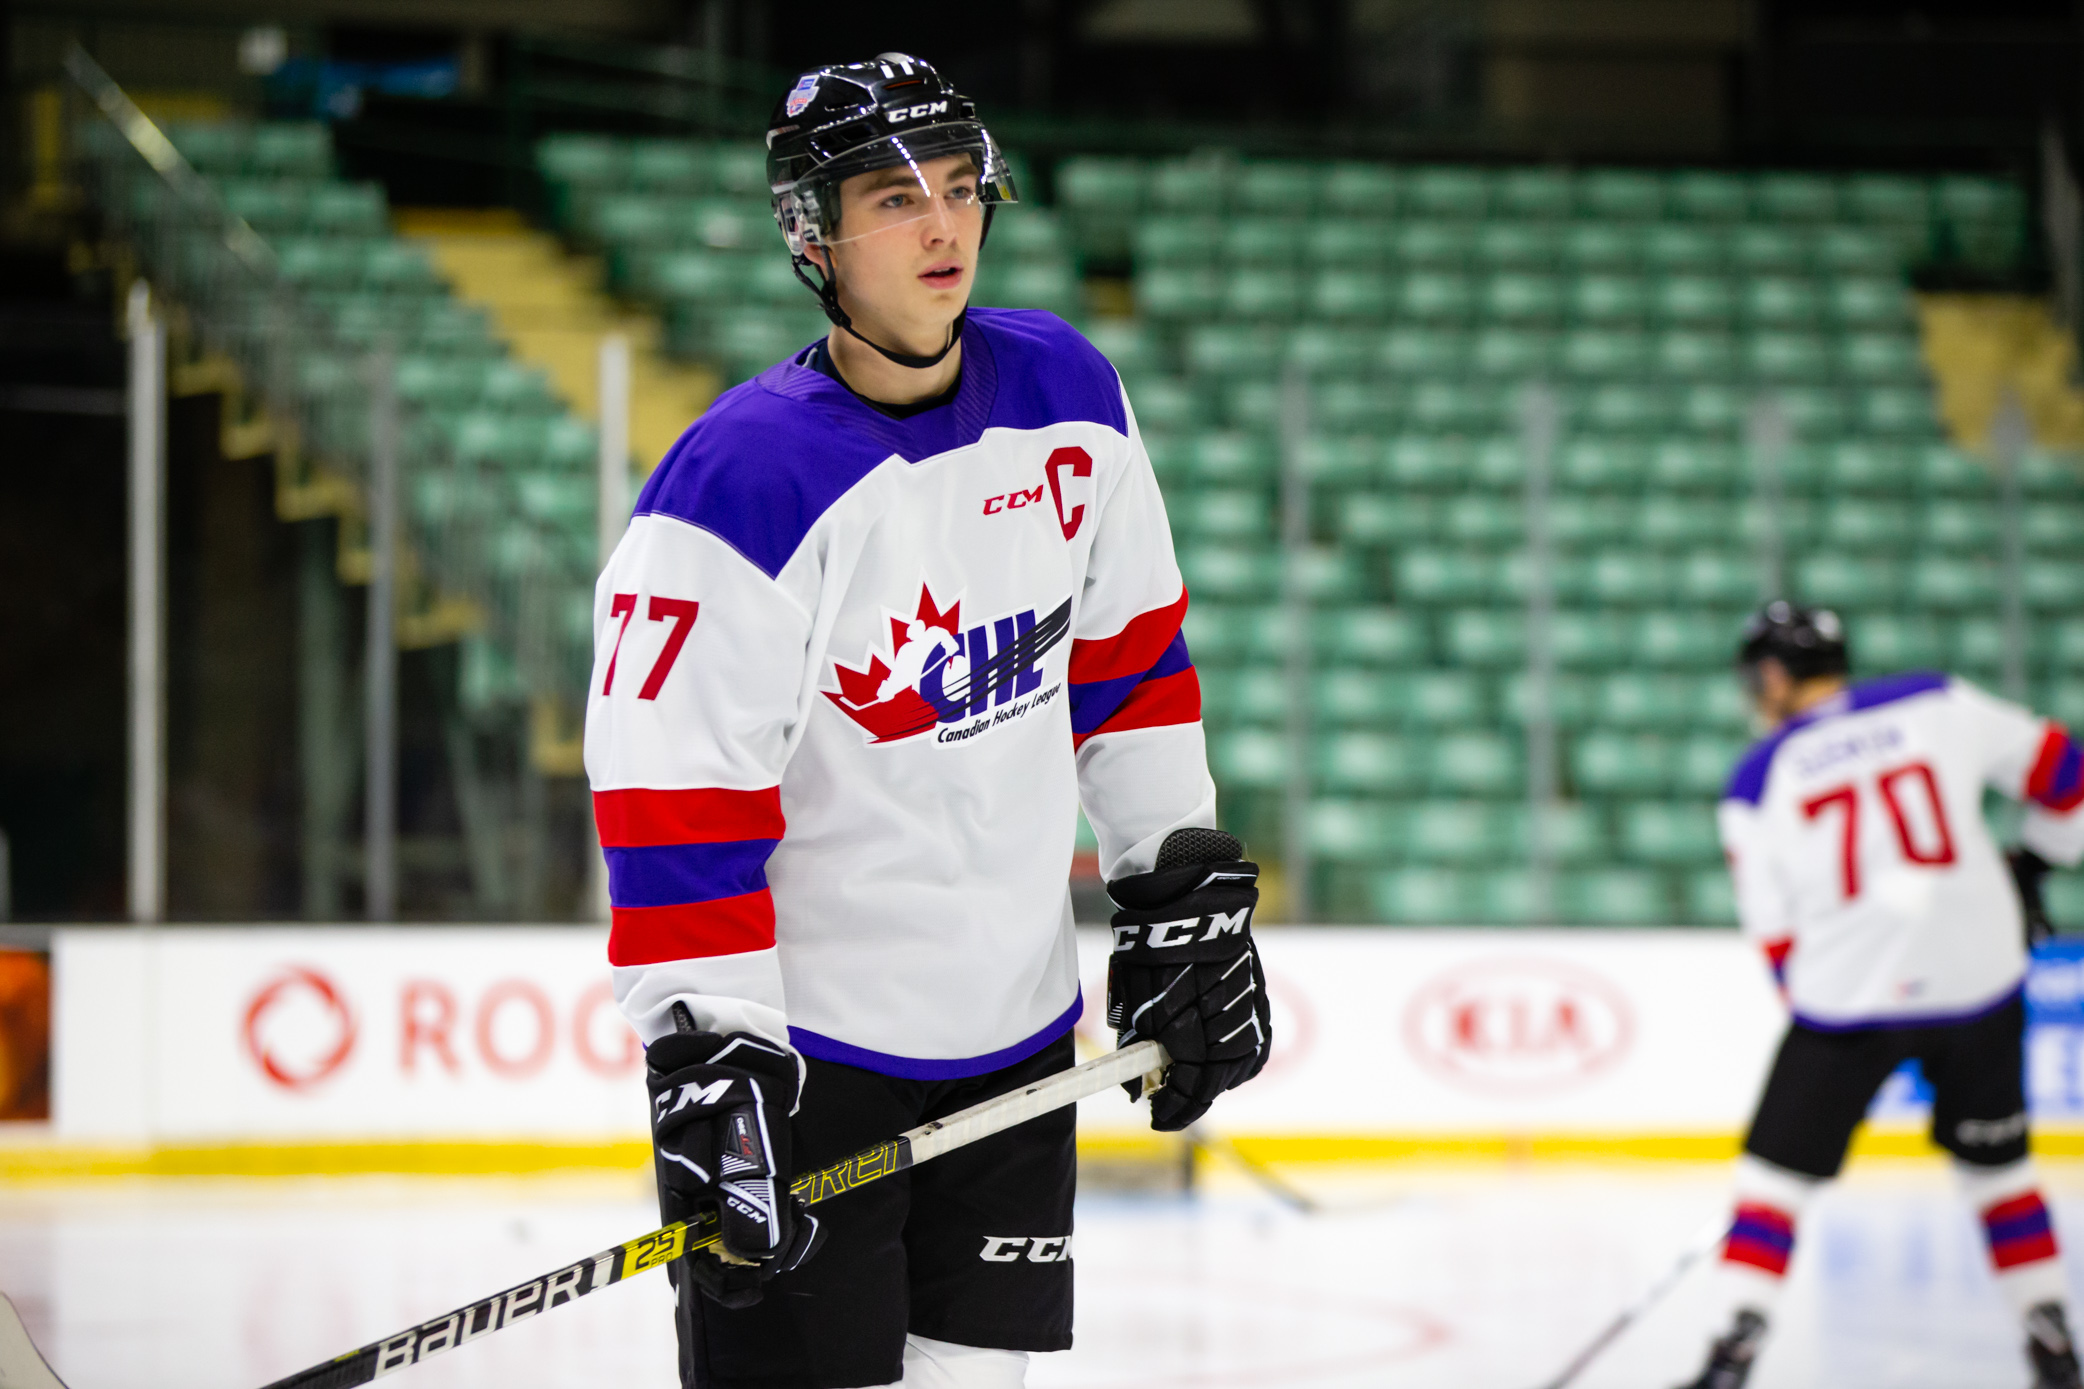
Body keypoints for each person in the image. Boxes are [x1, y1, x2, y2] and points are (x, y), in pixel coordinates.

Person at [584, 53, 1271, 1389]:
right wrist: (706, 1043)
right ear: (813, 235)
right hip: (811, 1071)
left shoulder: (1068, 396)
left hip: (1017, 1048)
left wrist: (1175, 885)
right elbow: (675, 790)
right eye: (897, 200)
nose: (946, 225)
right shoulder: (738, 482)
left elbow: (1129, 662)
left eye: (961, 188)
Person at [1677, 602, 2084, 1389]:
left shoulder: (1759, 780)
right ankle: (2054, 1341)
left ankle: (1732, 1349)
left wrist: (1838, 1008)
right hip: (1982, 986)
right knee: (2000, 1175)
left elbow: (1779, 942)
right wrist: (2035, 867)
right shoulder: (1936, 701)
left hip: (1848, 1001)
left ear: (1769, 675)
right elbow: (2067, 775)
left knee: (1774, 1186)